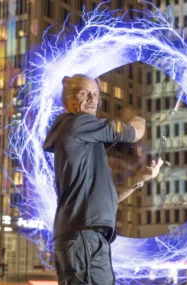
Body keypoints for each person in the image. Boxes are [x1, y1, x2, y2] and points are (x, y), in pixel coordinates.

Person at [43, 74, 163, 285]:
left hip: (83, 237)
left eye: (96, 95)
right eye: (84, 93)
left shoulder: (83, 140)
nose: (92, 99)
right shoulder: (78, 124)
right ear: (70, 98)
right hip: (84, 237)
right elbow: (133, 133)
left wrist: (138, 179)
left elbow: (108, 198)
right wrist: (139, 117)